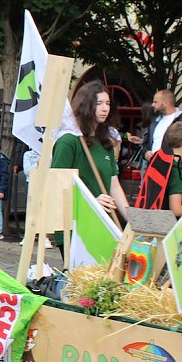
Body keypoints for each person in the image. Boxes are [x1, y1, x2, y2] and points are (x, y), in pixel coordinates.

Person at [51, 81, 129, 254]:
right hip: (75, 227)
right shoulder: (68, 141)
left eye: (107, 103)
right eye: (99, 103)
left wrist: (132, 219)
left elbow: (114, 185)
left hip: (102, 225)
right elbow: (57, 188)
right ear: (86, 105)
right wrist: (91, 202)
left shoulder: (105, 141)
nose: (105, 108)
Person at [136, 122, 182, 217]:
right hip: (167, 225)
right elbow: (175, 209)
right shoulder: (177, 173)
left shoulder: (159, 162)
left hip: (149, 218)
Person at [141, 89, 182, 163]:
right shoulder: (154, 120)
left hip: (172, 169)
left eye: (155, 102)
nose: (152, 105)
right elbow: (146, 142)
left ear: (166, 103)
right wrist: (145, 153)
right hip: (152, 168)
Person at [21, 148, 53, 249]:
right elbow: (27, 171)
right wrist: (38, 163)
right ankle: (29, 235)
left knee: (45, 209)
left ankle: (45, 237)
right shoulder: (28, 154)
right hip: (31, 184)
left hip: (45, 183)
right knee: (31, 210)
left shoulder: (49, 154)